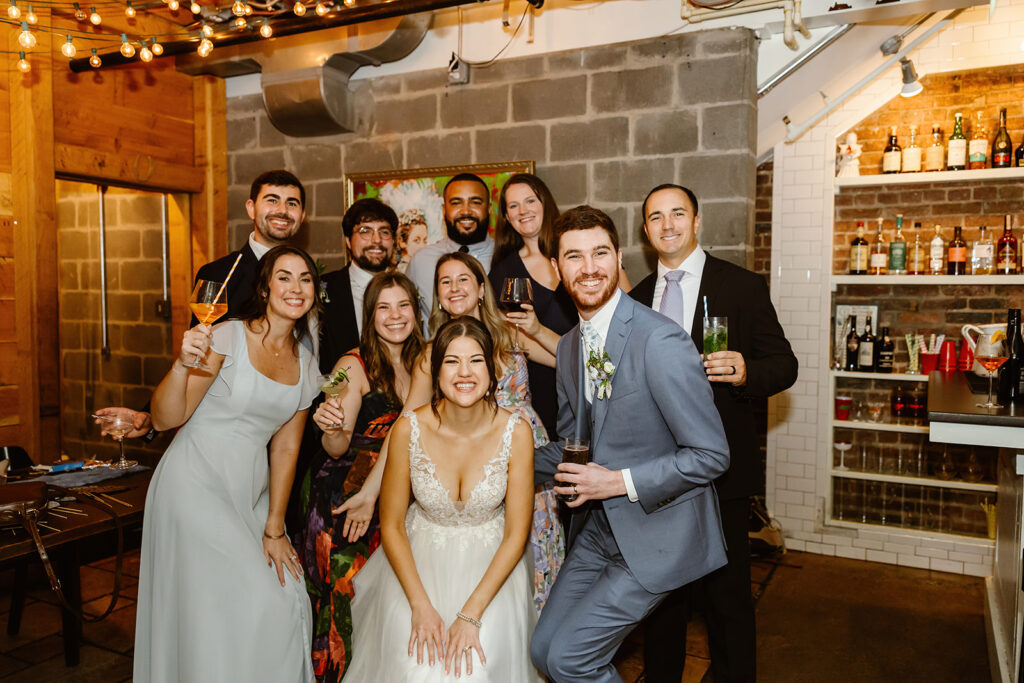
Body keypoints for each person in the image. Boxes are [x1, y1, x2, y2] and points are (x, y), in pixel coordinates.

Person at [528, 205, 731, 683]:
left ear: (619, 257)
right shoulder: (570, 347)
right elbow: (573, 445)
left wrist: (617, 481)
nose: (590, 267)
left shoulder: (659, 339)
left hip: (658, 531)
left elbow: (711, 455)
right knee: (542, 649)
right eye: (574, 257)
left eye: (600, 252)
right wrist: (496, 461)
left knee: (570, 659)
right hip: (597, 532)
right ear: (557, 270)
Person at [630, 184, 798, 683]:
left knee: (727, 601)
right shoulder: (637, 298)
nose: (667, 225)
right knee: (662, 601)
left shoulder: (741, 286)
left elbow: (784, 365)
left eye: (677, 214)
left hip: (721, 467)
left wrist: (747, 370)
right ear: (645, 231)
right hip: (657, 470)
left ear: (697, 221)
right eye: (656, 217)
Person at [134, 245, 321, 683]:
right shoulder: (226, 337)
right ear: (265, 286)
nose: (296, 288)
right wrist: (182, 365)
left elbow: (286, 450)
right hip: (194, 482)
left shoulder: (307, 363)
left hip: (248, 492)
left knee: (285, 594)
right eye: (284, 277)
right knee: (238, 602)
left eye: (306, 279)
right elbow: (166, 418)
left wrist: (275, 526)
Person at [343, 317, 542, 682]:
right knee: (414, 666)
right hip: (416, 567)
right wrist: (419, 606)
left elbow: (517, 534)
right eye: (451, 361)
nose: (464, 372)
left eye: (475, 360)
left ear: (491, 367)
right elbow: (391, 525)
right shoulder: (408, 429)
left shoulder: (517, 433)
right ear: (435, 372)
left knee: (478, 665)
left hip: (491, 571)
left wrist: (470, 615)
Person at [94, 169, 308, 439]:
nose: (282, 210)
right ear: (252, 208)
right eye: (272, 200)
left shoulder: (308, 283)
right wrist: (149, 417)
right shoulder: (219, 274)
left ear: (302, 216)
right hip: (230, 429)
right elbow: (197, 355)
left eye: (292, 203)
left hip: (293, 432)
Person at [406, 251, 564, 612]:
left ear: (481, 289)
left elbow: (566, 360)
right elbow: (409, 423)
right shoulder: (432, 353)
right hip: (473, 458)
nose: (454, 287)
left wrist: (536, 328)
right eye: (444, 282)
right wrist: (371, 491)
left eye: (463, 279)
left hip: (529, 451)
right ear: (439, 296)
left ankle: (539, 638)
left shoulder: (511, 333)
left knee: (536, 542)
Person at [297, 272, 424, 682]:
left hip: (397, 495)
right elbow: (334, 445)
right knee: (345, 604)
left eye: (403, 305)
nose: (394, 316)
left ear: (416, 311)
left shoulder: (425, 360)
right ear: (369, 316)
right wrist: (331, 426)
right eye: (383, 307)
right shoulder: (350, 365)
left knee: (389, 605)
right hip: (347, 498)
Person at [319, 198, 399, 374]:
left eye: (384, 232)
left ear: (393, 241)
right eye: (365, 231)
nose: (376, 240)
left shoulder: (404, 290)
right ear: (348, 240)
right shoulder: (323, 289)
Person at [407, 173, 495, 322]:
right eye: (456, 202)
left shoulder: (507, 257)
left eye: (475, 202)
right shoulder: (420, 261)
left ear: (489, 209)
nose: (466, 211)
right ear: (443, 210)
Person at [395, 208, 430, 273]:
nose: (422, 246)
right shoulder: (404, 271)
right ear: (402, 242)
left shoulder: (420, 268)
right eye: (416, 240)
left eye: (425, 241)